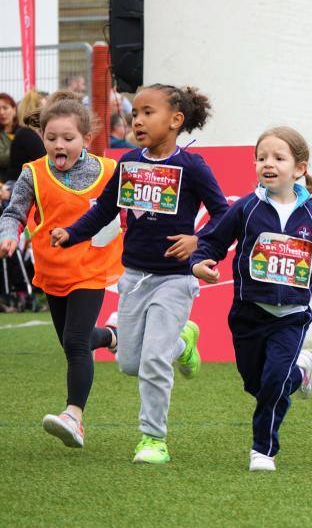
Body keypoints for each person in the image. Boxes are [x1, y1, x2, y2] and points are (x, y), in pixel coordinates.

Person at [50, 84, 230, 464]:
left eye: (149, 113)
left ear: (176, 120)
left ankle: (152, 439)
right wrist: (71, 234)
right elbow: (104, 211)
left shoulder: (192, 167)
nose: (138, 120)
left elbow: (225, 215)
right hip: (133, 278)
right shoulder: (129, 163)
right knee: (130, 363)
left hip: (176, 280)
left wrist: (198, 241)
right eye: (136, 114)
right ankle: (183, 343)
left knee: (152, 363)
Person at [191, 126, 312, 471]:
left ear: (299, 168)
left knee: (274, 383)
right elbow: (212, 241)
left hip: (292, 316)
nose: (268, 164)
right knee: (256, 383)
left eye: (279, 158)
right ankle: (301, 372)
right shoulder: (245, 208)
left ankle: (263, 450)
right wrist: (200, 262)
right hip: (248, 313)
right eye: (261, 158)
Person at [0, 91, 123, 448]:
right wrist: (8, 236)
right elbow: (13, 213)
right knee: (73, 342)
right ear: (42, 136)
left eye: (68, 138)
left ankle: (74, 416)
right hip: (52, 271)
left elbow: (134, 211)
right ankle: (113, 336)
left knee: (74, 342)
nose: (59, 145)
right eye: (51, 137)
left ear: (86, 138)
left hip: (91, 268)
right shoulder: (32, 174)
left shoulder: (109, 171)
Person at [0, 92, 46, 182]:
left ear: (14, 109)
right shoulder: (24, 134)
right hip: (7, 179)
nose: (1, 112)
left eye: (5, 108)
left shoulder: (24, 132)